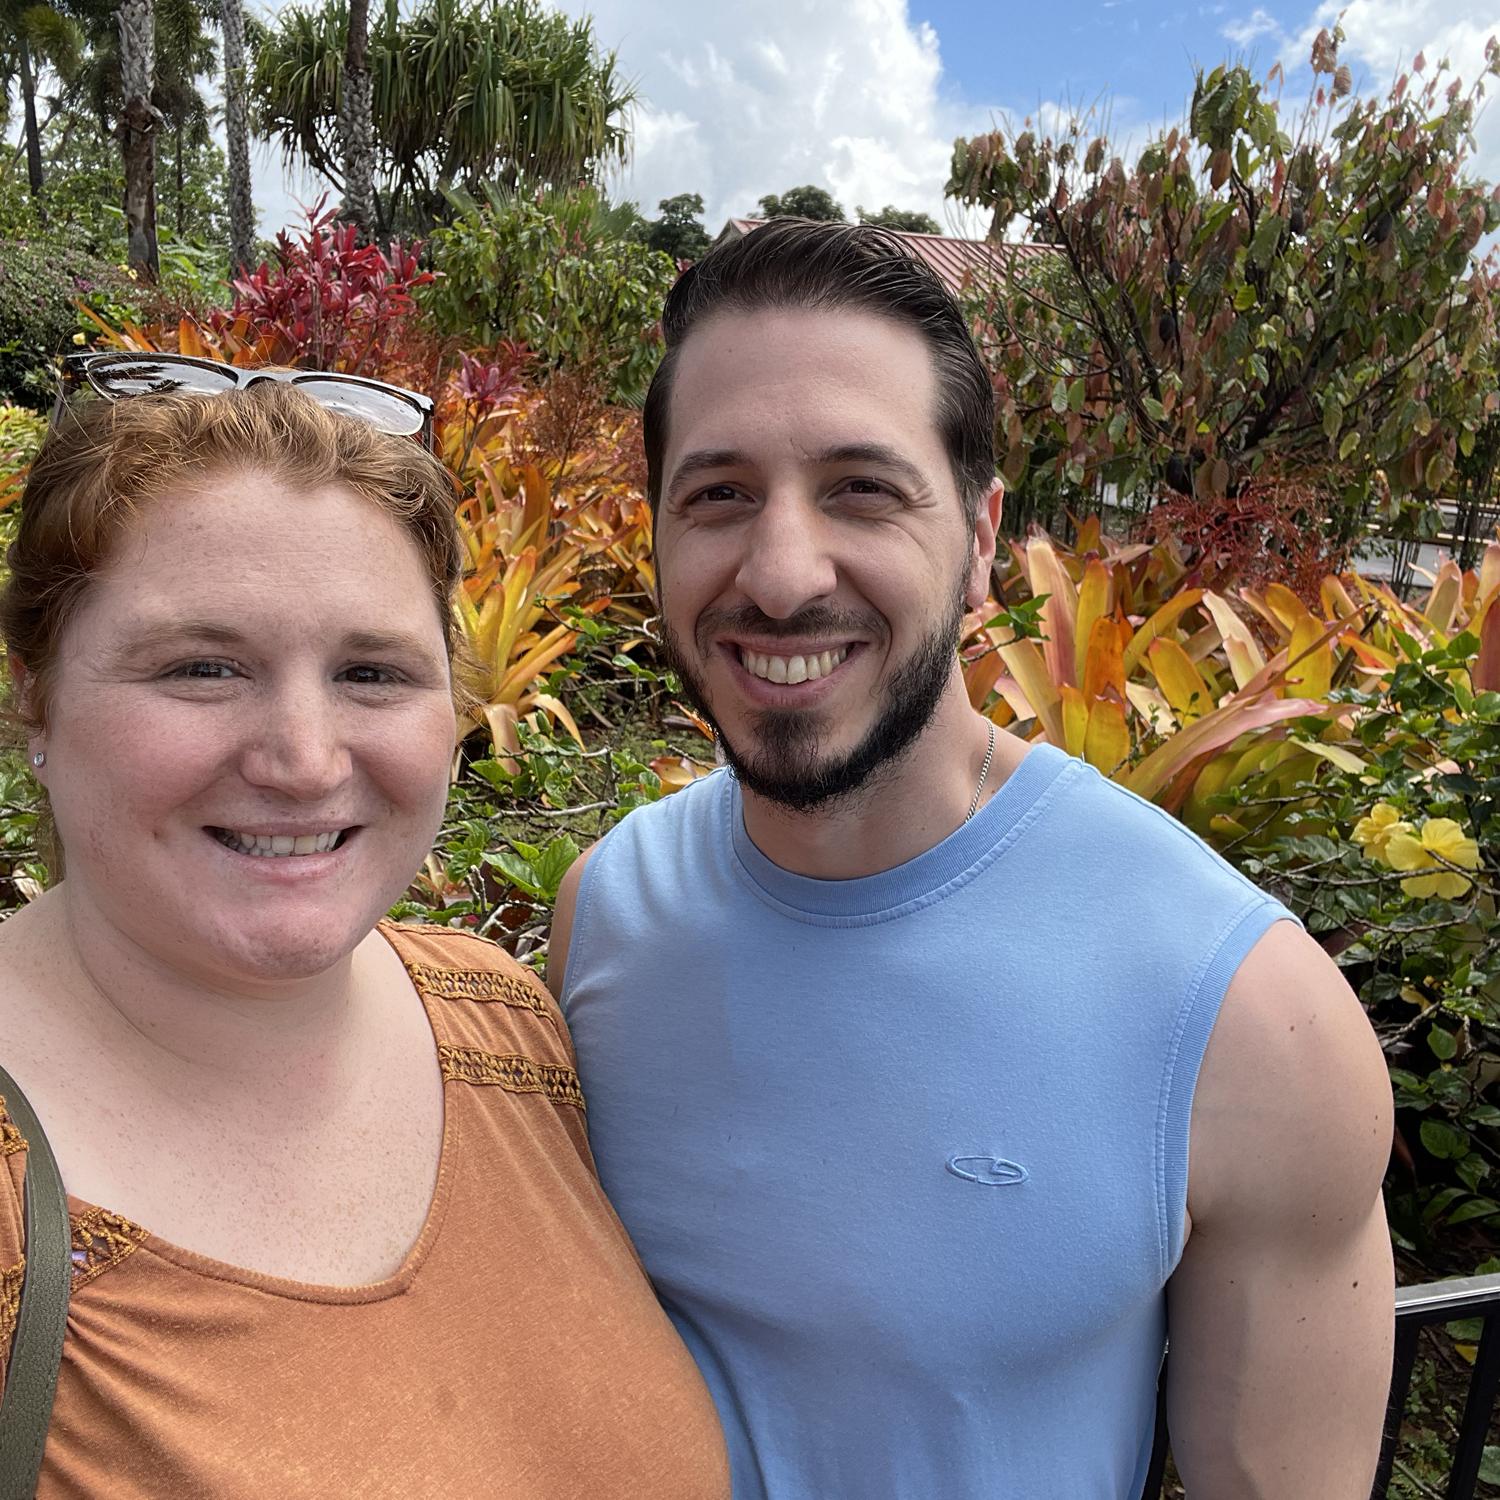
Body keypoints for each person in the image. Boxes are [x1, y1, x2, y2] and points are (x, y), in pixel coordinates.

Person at [549, 221, 1395, 1499]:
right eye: (718, 494)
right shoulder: (606, 913)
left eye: (862, 489)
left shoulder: (1244, 1017)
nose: (780, 576)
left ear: (984, 536)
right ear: (659, 538)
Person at [0, 370, 728, 1498]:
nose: (303, 758)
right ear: (34, 699)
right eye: (202, 667)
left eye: (371, 673)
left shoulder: (506, 1027)